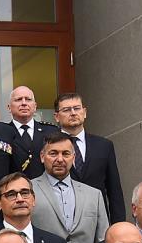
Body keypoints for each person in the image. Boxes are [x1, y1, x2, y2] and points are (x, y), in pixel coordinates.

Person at [30, 132, 110, 243]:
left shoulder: (94, 195)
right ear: (42, 157)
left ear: (73, 158)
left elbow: (103, 242)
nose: (60, 159)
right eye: (53, 153)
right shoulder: (27, 191)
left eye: (65, 154)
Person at [52, 92, 125, 224]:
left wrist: (118, 225)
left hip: (97, 220)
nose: (73, 113)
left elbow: (114, 190)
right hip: (60, 221)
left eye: (77, 108)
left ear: (84, 112)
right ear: (57, 116)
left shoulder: (104, 145)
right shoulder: (48, 146)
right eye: (66, 110)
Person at [5, 86, 54, 179]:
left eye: (28, 99)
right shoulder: (2, 132)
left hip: (45, 185)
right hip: (15, 185)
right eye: (18, 99)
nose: (24, 103)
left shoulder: (51, 131)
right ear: (9, 107)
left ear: (35, 106)